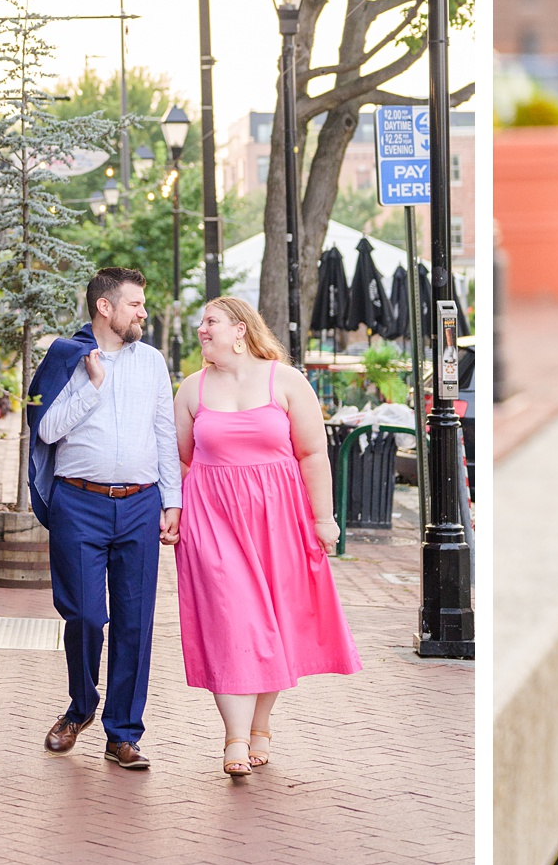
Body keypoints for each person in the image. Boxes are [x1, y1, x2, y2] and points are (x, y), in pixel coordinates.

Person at [172, 296, 361, 778]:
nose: (201, 329)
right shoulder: (192, 390)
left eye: (210, 322)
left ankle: (261, 724)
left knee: (273, 621)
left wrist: (324, 520)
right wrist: (170, 509)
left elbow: (313, 455)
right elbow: (179, 459)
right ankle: (234, 736)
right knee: (232, 620)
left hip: (280, 518)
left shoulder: (287, 380)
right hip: (212, 518)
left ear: (240, 329)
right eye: (201, 323)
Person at [27, 267, 180, 772]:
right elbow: (45, 430)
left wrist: (171, 500)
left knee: (135, 623)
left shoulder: (152, 362)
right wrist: (91, 387)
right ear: (105, 308)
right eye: (135, 304)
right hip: (79, 503)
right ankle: (80, 707)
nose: (143, 312)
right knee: (86, 615)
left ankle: (123, 734)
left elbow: (163, 433)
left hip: (139, 504)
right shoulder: (66, 358)